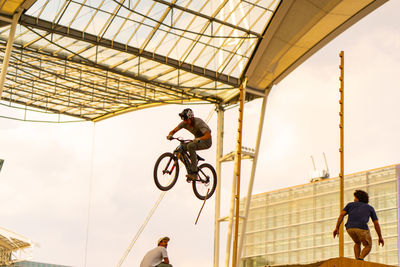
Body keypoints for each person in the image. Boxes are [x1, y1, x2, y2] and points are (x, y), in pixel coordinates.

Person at [333, 190, 384, 260]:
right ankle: (360, 258)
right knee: (368, 245)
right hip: (361, 228)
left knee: (357, 243)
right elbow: (376, 223)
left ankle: (357, 260)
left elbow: (341, 215)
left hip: (349, 228)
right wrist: (380, 236)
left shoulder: (350, 205)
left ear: (358, 198)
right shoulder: (370, 208)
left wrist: (337, 228)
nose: (354, 199)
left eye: (355, 198)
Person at [167, 108, 212, 180]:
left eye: (186, 120)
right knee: (180, 149)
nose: (185, 122)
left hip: (206, 141)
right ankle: (190, 170)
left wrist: (199, 139)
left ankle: (194, 173)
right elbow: (173, 131)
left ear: (191, 118)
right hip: (196, 141)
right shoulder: (184, 123)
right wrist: (170, 135)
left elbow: (208, 135)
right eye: (184, 120)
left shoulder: (199, 123)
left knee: (190, 146)